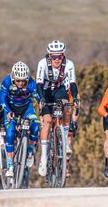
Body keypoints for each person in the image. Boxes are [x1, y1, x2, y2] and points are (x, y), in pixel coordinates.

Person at [36, 40, 78, 177]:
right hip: (45, 91)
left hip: (59, 90)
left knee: (66, 106)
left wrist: (76, 98)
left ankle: (65, 141)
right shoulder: (42, 64)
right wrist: (41, 99)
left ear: (63, 56)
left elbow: (72, 84)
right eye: (53, 57)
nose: (56, 60)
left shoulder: (69, 64)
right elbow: (39, 84)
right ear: (49, 56)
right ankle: (43, 157)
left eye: (59, 57)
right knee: (47, 121)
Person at [0, 61, 40, 177]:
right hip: (11, 109)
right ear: (13, 78)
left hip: (27, 108)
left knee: (35, 127)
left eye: (23, 81)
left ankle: (30, 150)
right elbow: (2, 99)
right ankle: (10, 165)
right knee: (10, 134)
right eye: (18, 80)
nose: (21, 83)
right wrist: (8, 111)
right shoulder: (7, 81)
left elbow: (37, 97)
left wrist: (42, 107)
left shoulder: (31, 82)